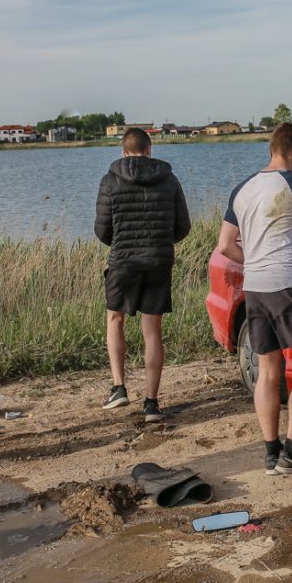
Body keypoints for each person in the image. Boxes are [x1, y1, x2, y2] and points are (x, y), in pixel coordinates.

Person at [217, 122, 292, 475]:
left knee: (267, 370)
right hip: (288, 284)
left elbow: (225, 246)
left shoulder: (242, 188)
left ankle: (271, 453)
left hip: (255, 288)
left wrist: (256, 262)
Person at [94, 127, 191, 422]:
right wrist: (160, 243)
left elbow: (102, 229)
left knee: (115, 319)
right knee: (152, 331)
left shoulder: (110, 180)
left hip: (123, 261)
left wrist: (123, 243)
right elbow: (183, 226)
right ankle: (151, 403)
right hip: (158, 262)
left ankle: (119, 388)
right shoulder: (170, 180)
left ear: (124, 152)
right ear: (150, 150)